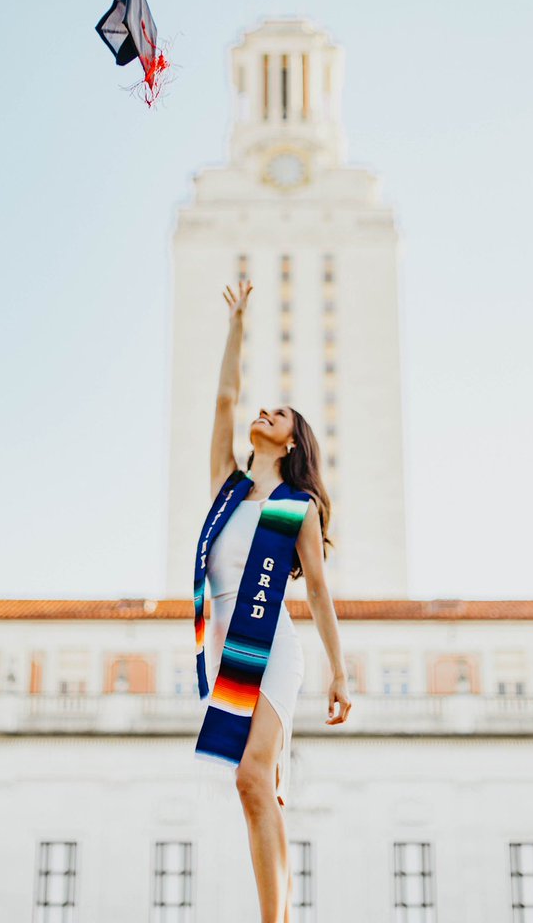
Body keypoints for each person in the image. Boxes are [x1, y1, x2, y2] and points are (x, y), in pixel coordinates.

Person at [203, 278, 352, 923]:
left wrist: (338, 672)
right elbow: (224, 400)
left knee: (251, 779)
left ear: (292, 442)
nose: (264, 414)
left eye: (279, 415)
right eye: (263, 412)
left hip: (270, 646)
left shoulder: (299, 507)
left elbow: (317, 591)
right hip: (223, 647)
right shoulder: (227, 486)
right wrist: (236, 325)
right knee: (252, 790)